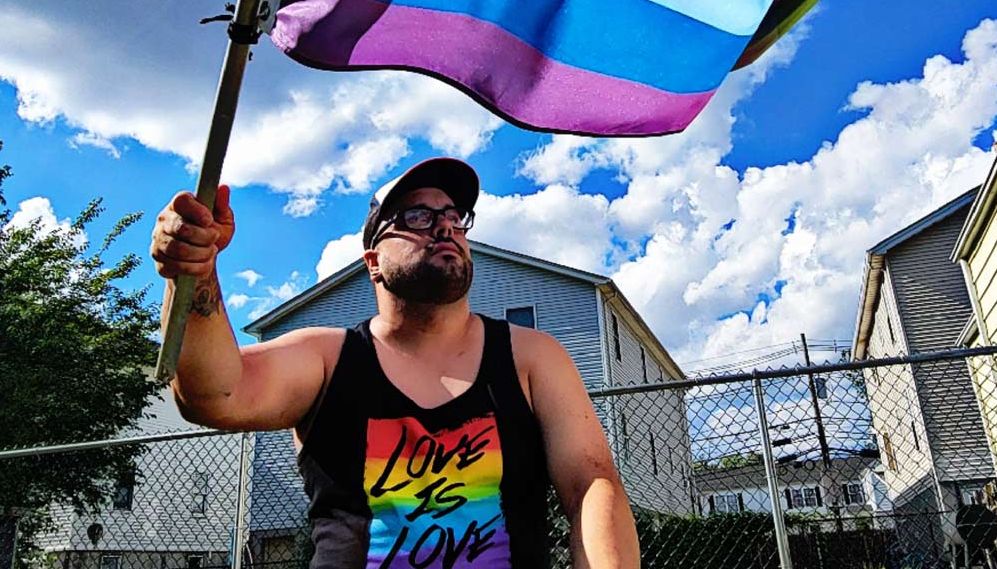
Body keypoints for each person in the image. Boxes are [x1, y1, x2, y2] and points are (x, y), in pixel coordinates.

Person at [152, 156, 640, 569]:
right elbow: (215, 395)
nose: (445, 226)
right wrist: (193, 273)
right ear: (373, 263)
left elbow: (590, 483)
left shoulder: (531, 357)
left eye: (454, 217)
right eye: (417, 217)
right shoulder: (328, 358)